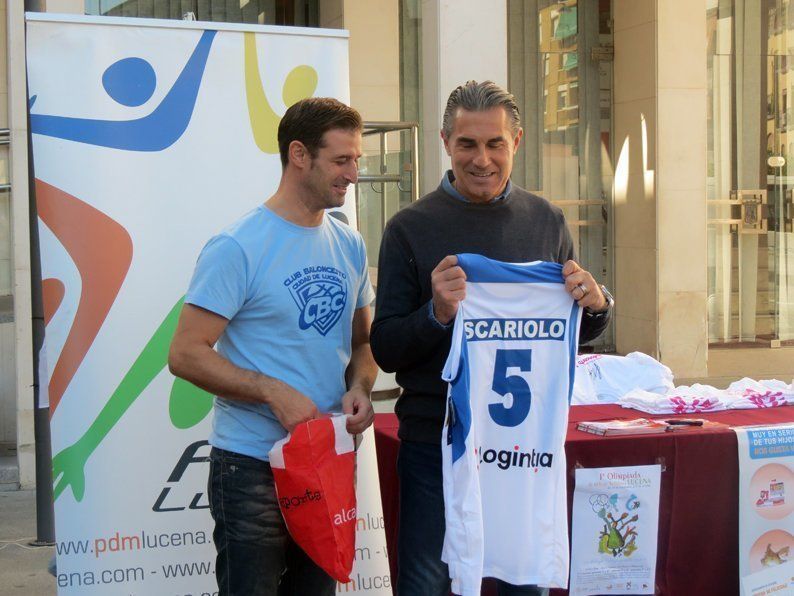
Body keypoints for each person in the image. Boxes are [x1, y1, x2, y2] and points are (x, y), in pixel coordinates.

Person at [370, 80, 613, 596]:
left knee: (521, 583)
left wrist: (596, 305)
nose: (482, 159)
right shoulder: (408, 228)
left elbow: (568, 331)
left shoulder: (546, 219)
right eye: (467, 144)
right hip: (435, 442)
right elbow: (387, 348)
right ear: (445, 143)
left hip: (521, 446)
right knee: (428, 583)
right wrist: (435, 313)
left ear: (516, 143)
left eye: (494, 144)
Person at [168, 97, 378, 596]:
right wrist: (271, 391)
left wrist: (362, 388)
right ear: (299, 155)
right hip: (250, 467)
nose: (353, 173)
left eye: (357, 160)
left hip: (324, 460)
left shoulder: (349, 243)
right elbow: (185, 353)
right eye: (342, 160)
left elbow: (364, 342)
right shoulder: (238, 246)